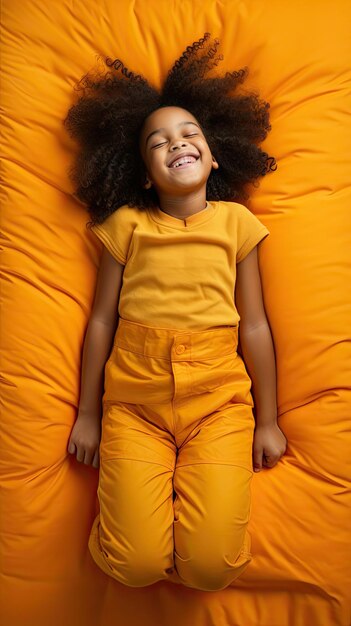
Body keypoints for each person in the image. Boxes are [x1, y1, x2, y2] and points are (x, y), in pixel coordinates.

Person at [64, 33, 287, 592]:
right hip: (133, 406)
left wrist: (268, 419)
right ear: (143, 172)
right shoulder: (127, 228)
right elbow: (100, 323)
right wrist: (88, 413)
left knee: (211, 569)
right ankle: (139, 531)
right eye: (157, 142)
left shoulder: (237, 224)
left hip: (219, 403)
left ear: (214, 156)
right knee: (134, 567)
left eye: (190, 134)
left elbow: (255, 324)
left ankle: (192, 540)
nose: (177, 144)